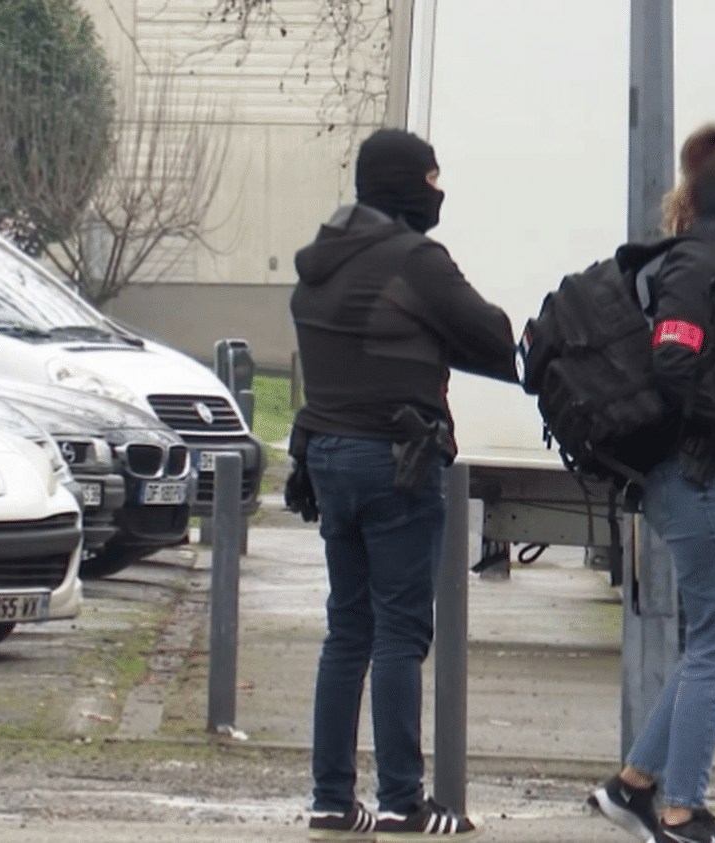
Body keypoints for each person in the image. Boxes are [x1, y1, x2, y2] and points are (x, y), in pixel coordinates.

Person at [289, 127, 518, 841]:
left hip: (326, 455)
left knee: (346, 630)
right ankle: (401, 802)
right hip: (397, 461)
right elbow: (490, 332)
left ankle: (332, 800)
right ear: (404, 185)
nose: (437, 191)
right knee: (399, 633)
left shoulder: (321, 261)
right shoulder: (415, 260)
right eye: (430, 179)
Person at [589, 123, 715, 843]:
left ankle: (633, 784)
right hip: (699, 475)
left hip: (702, 474)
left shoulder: (712, 258)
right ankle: (681, 810)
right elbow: (676, 363)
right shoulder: (697, 264)